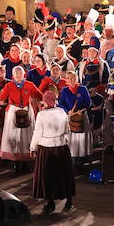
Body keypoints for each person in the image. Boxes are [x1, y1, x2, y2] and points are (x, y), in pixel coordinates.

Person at [30, 85, 75, 215]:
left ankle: (50, 203)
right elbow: (68, 130)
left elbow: (37, 132)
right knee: (63, 174)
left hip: (46, 149)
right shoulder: (62, 112)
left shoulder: (41, 115)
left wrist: (33, 147)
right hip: (61, 148)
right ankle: (68, 201)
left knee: (48, 176)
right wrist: (65, 141)